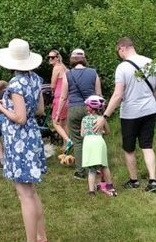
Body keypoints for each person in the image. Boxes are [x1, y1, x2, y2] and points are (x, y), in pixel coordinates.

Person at [0, 38, 51, 242]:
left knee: (24, 194)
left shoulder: (15, 85)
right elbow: (41, 110)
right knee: (31, 192)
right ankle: (43, 240)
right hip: (32, 137)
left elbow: (20, 118)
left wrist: (1, 107)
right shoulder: (36, 79)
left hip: (19, 141)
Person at [100, 37, 156, 193]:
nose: (119, 55)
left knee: (129, 148)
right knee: (147, 145)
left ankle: (134, 181)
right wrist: (152, 100)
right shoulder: (150, 62)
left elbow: (117, 95)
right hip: (149, 111)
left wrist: (105, 116)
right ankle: (152, 181)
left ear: (122, 48)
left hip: (130, 114)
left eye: (118, 51)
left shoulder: (122, 68)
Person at [57, 49, 102, 180]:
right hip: (92, 109)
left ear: (72, 60)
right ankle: (96, 167)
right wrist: (101, 113)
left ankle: (80, 171)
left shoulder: (68, 74)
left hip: (74, 109)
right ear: (84, 59)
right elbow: (98, 95)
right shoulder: (93, 73)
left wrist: (58, 114)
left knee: (77, 140)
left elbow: (63, 97)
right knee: (94, 138)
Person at [80, 95, 117, 197]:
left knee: (92, 169)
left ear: (89, 107)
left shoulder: (84, 119)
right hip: (99, 142)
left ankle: (91, 191)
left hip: (88, 143)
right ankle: (109, 185)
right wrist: (102, 131)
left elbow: (82, 134)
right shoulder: (101, 119)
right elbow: (108, 132)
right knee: (104, 165)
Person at [47, 50, 70, 149]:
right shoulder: (64, 67)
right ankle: (65, 145)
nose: (50, 59)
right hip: (67, 97)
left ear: (57, 58)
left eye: (52, 57)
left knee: (55, 122)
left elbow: (53, 84)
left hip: (59, 97)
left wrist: (52, 90)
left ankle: (68, 141)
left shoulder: (56, 68)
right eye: (49, 57)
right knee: (63, 123)